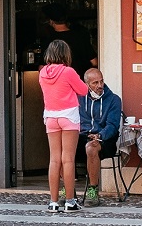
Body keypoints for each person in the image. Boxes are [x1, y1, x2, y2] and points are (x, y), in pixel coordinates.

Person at [36, 35, 88, 213]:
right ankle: (70, 201)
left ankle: (53, 202)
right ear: (65, 54)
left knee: (54, 159)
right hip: (69, 116)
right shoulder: (68, 72)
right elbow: (83, 90)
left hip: (50, 117)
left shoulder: (42, 72)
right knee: (68, 160)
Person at [78, 61, 122, 205]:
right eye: (95, 83)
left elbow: (113, 125)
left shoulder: (114, 100)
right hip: (83, 136)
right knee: (60, 148)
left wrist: (100, 135)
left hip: (106, 139)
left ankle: (92, 191)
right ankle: (66, 191)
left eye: (101, 81)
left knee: (91, 147)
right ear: (87, 85)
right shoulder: (79, 99)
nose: (100, 85)